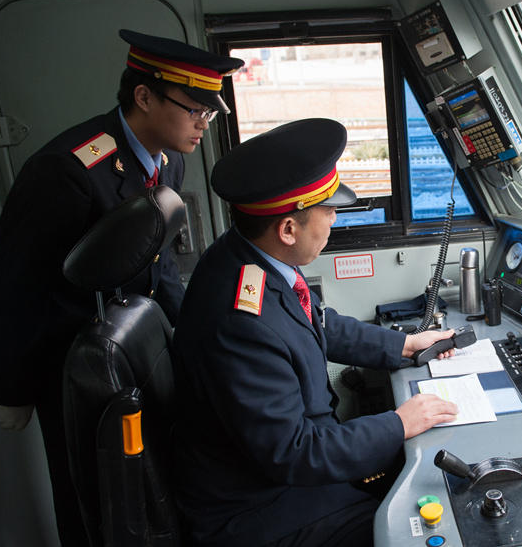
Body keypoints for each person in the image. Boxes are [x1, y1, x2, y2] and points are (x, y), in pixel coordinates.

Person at [0, 29, 244, 546]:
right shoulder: (68, 172)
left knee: (146, 491)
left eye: (209, 113)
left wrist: (194, 335)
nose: (203, 123)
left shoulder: (169, 158)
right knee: (90, 500)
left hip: (137, 350)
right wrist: (9, 388)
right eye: (194, 108)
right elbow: (18, 281)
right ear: (144, 96)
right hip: (73, 367)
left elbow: (160, 261)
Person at [171, 118, 460, 547]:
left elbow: (315, 321)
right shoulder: (239, 321)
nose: (334, 220)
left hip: (282, 478)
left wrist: (404, 344)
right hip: (260, 508)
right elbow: (294, 452)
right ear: (288, 230)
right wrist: (399, 423)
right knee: (421, 528)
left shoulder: (248, 258)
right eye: (328, 211)